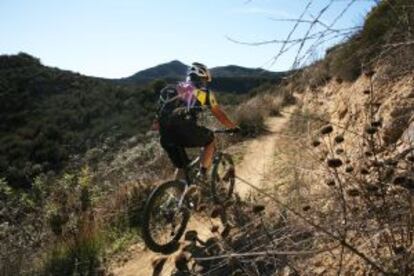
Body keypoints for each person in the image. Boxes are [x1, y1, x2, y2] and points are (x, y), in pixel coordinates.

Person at [153, 62, 238, 180]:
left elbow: (158, 118)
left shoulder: (172, 89)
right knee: (210, 139)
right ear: (202, 78)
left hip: (165, 136)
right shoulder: (205, 94)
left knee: (183, 168)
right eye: (205, 80)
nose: (205, 83)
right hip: (184, 132)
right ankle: (202, 175)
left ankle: (178, 196)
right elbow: (219, 114)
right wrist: (233, 126)